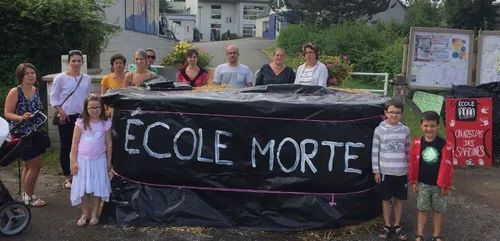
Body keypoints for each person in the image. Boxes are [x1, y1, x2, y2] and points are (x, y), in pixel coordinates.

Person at [4, 63, 48, 207]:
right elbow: (7, 113)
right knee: (36, 165)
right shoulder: (15, 92)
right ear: (21, 76)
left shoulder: (35, 90)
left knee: (28, 166)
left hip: (35, 132)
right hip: (21, 135)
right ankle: (30, 197)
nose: (31, 76)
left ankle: (26, 194)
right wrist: (21, 117)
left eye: (33, 73)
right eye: (27, 73)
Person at [50, 50, 92, 189]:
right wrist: (61, 113)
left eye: (79, 61)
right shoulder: (60, 78)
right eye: (73, 61)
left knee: (82, 146)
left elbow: (88, 98)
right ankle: (68, 177)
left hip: (81, 117)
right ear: (68, 62)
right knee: (67, 146)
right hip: (66, 117)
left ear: (82, 62)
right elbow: (54, 98)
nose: (76, 63)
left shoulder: (86, 78)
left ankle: (80, 173)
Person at [409, 111, 454, 241]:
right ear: (421, 125)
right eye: (426, 125)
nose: (429, 129)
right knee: (422, 210)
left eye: (432, 126)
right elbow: (413, 163)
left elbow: (448, 167)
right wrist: (413, 181)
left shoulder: (445, 145)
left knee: (437, 211)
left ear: (438, 126)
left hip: (438, 185)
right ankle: (420, 234)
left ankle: (436, 235)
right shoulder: (417, 143)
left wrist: (445, 185)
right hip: (423, 184)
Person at [70, 94, 112, 227]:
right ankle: (85, 213)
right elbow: (74, 143)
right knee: (84, 189)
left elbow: (108, 142)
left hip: (99, 160)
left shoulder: (105, 123)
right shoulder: (81, 123)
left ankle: (94, 214)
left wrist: (109, 161)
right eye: (91, 107)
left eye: (97, 107)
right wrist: (73, 161)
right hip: (83, 161)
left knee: (97, 188)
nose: (94, 110)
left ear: (102, 107)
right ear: (86, 108)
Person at [372, 99, 410, 240]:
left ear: (402, 114)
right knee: (386, 199)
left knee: (400, 199)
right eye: (391, 112)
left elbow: (408, 150)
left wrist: (410, 169)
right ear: (385, 113)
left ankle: (397, 225)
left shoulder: (405, 130)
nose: (394, 115)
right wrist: (376, 171)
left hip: (401, 171)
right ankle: (387, 225)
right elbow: (374, 151)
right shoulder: (379, 130)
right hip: (386, 172)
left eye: (397, 113)